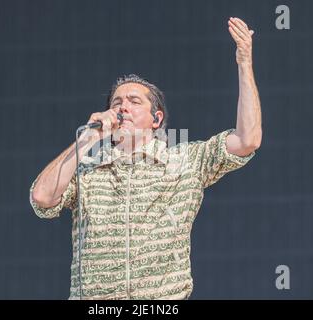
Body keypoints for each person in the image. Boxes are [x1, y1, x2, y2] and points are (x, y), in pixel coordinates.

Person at [29, 17, 262, 300]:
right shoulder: (88, 171)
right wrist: (87, 140)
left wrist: (244, 62)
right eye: (117, 103)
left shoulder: (184, 160)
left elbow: (247, 139)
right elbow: (42, 198)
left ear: (156, 119)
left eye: (134, 101)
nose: (123, 107)